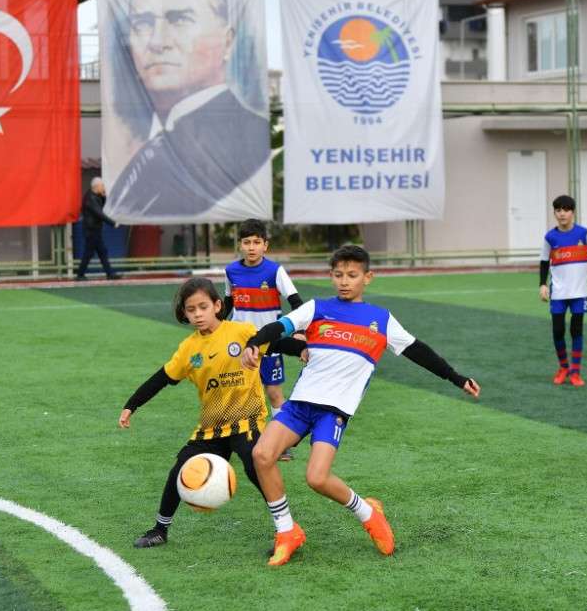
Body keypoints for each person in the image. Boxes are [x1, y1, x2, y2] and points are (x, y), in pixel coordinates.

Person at [241, 245, 481, 567]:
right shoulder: (317, 308)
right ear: (331, 276)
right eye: (338, 275)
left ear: (368, 277)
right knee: (261, 454)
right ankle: (287, 531)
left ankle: (369, 512)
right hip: (300, 404)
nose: (344, 281)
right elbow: (280, 327)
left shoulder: (380, 319)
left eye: (352, 275)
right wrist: (255, 342)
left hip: (334, 410)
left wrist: (456, 377)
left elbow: (417, 351)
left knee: (317, 478)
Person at [119, 277, 305, 548]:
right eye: (191, 310)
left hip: (247, 421)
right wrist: (131, 405)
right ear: (184, 313)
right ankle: (160, 529)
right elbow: (161, 378)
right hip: (211, 427)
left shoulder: (241, 332)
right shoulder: (188, 349)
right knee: (179, 470)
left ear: (218, 305)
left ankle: (287, 528)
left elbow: (276, 345)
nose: (197, 314)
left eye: (203, 307)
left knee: (257, 469)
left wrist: (302, 348)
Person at [106, 0, 269, 218]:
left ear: (227, 42)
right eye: (143, 24)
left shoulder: (248, 138)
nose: (158, 42)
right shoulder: (145, 138)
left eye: (180, 20)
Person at [223, 219, 304, 461]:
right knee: (241, 392)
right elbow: (228, 303)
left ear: (265, 245)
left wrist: (300, 330)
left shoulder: (275, 271)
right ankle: (242, 441)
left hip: (271, 344)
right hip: (241, 344)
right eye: (246, 242)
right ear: (240, 245)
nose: (251, 247)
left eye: (256, 242)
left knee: (274, 392)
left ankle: (281, 442)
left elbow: (296, 302)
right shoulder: (231, 271)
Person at [539, 195, 587, 387]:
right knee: (558, 330)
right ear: (554, 213)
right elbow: (544, 262)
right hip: (559, 293)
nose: (562, 214)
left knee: (576, 330)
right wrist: (543, 284)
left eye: (566, 210)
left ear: (573, 212)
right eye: (558, 210)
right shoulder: (550, 237)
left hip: (579, 293)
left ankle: (575, 372)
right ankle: (563, 367)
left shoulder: (583, 233)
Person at [76, 177, 119, 281]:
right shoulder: (90, 198)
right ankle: (80, 275)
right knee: (89, 253)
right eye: (102, 185)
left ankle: (110, 274)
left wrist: (104, 197)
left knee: (102, 252)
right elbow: (100, 214)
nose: (104, 187)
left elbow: (101, 207)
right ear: (96, 186)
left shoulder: (95, 196)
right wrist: (113, 223)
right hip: (91, 230)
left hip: (95, 230)